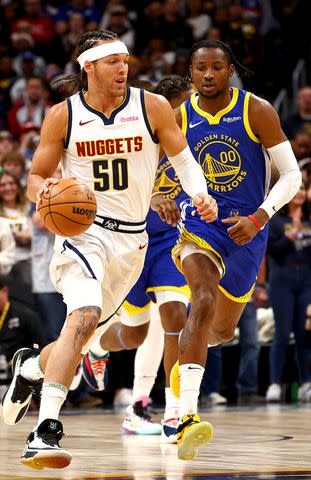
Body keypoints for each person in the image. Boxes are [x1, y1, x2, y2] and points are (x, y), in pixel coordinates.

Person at [1, 30, 216, 470]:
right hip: (83, 232)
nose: (124, 68)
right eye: (113, 61)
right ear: (89, 67)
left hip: (132, 241)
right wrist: (47, 198)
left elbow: (182, 159)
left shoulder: (151, 106)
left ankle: (31, 370)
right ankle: (45, 432)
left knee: (79, 337)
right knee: (81, 317)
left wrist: (200, 194)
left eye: (125, 60)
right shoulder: (63, 116)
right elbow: (35, 178)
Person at [167, 39, 301, 460]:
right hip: (198, 225)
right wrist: (160, 196)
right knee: (200, 297)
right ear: (191, 73)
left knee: (220, 329)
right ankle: (184, 415)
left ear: (230, 71)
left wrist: (259, 218)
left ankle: (188, 372)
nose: (208, 75)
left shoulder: (256, 109)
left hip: (248, 228)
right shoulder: (178, 115)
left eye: (217, 68)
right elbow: (160, 168)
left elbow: (292, 176)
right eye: (200, 68)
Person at [82, 75, 193, 443]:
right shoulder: (136, 137)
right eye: (183, 106)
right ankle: (96, 348)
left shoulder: (192, 139)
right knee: (136, 332)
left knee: (173, 317)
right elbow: (109, 187)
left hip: (169, 240)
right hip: (128, 237)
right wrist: (149, 200)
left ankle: (169, 410)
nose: (189, 112)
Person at [265, 181, 311, 403]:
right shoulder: (276, 220)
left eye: (304, 189)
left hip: (306, 281)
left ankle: (305, 382)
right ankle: (274, 383)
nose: (300, 193)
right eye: (297, 188)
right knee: (282, 333)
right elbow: (273, 250)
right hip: (282, 279)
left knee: (304, 335)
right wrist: (290, 236)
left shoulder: (308, 220)